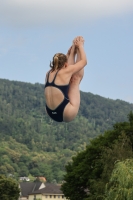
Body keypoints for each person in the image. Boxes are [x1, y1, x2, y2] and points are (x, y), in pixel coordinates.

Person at [44, 36, 87, 122]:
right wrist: (80, 46)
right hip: (65, 112)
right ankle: (76, 51)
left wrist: (70, 53)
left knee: (70, 77)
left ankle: (73, 52)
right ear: (65, 64)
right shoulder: (65, 71)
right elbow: (84, 61)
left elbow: (63, 66)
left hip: (50, 113)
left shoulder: (48, 73)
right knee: (75, 79)